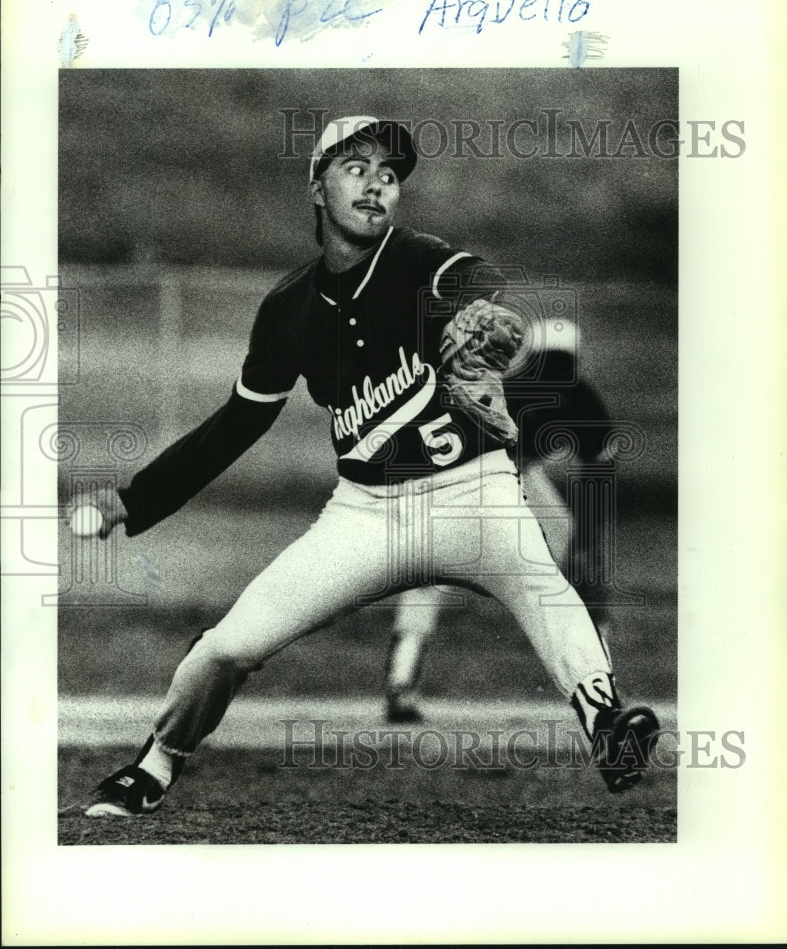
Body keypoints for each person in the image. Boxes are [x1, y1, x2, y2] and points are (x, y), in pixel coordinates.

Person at [79, 114, 660, 817]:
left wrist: (480, 309)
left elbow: (468, 275)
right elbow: (236, 424)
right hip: (365, 514)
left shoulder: (418, 261)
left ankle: (605, 724)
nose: (377, 184)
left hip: (473, 494)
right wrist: (134, 501)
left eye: (388, 175)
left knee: (546, 588)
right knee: (229, 645)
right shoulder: (287, 310)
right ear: (316, 185)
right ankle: (157, 763)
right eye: (356, 168)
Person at [383, 337, 615, 723]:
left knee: (430, 576)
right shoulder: (577, 394)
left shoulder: (514, 384)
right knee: (577, 568)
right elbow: (598, 470)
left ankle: (401, 680)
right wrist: (584, 543)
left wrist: (584, 542)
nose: (554, 374)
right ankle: (604, 687)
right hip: (474, 475)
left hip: (490, 474)